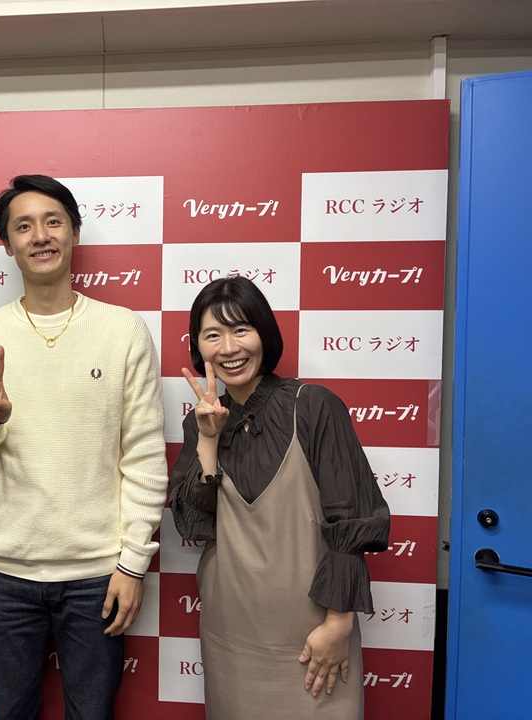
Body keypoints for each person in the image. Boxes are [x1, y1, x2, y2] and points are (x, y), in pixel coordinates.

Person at [0, 174, 168, 720]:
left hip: (98, 575)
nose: (40, 236)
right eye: (23, 226)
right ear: (7, 244)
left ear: (74, 233)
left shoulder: (123, 330)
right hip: (6, 577)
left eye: (53, 222)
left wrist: (133, 564)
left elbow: (143, 457)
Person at [168, 276, 390, 720]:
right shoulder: (201, 423)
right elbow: (194, 524)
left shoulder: (314, 405)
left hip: (313, 636)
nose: (229, 348)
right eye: (212, 335)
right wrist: (208, 440)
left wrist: (338, 623)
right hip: (230, 636)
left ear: (264, 334)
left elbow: (352, 517)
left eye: (241, 330)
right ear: (198, 347)